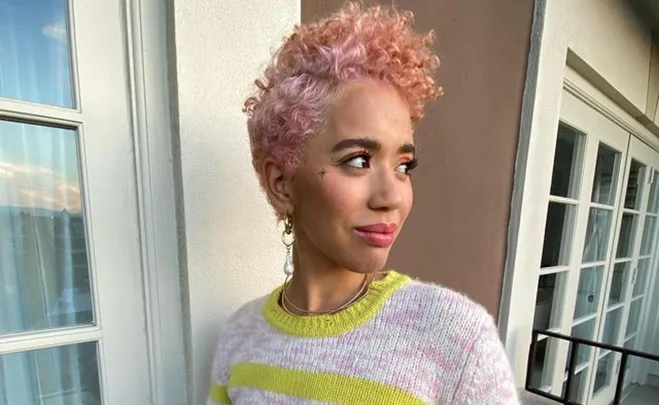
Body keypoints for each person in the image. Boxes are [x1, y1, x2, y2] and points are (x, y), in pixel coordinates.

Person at [207, 2, 520, 404]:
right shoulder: (239, 337)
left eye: (404, 165)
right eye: (358, 160)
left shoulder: (457, 341)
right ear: (282, 183)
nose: (392, 197)